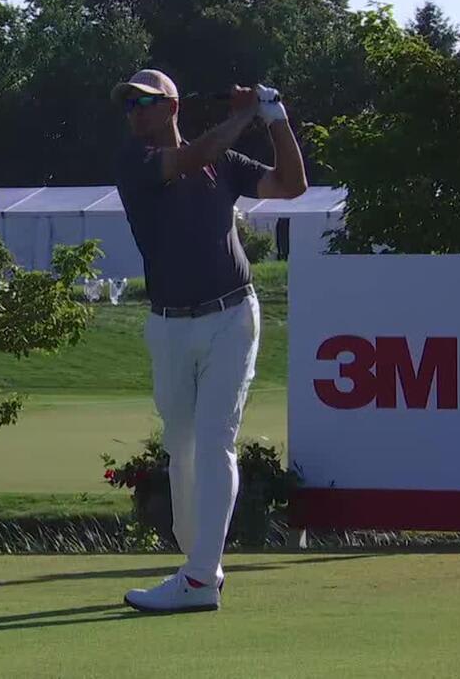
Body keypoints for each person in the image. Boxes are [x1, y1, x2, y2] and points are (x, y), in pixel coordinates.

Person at [112, 69, 307, 613]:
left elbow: (291, 186)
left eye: (144, 103)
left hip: (231, 316)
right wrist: (243, 115)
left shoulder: (222, 161)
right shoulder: (136, 161)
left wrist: (276, 122)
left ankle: (198, 578)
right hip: (169, 324)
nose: (134, 113)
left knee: (216, 437)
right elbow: (190, 158)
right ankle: (201, 565)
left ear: (171, 106)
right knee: (182, 448)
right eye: (128, 106)